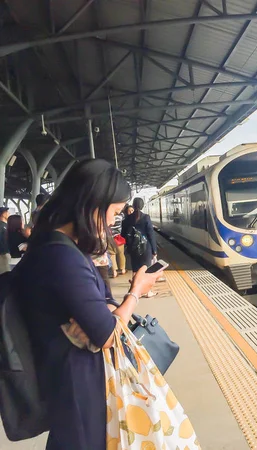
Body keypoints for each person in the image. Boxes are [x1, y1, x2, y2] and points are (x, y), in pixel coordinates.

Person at [15, 159, 163, 450]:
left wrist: (104, 312)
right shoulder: (61, 255)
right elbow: (106, 334)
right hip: (77, 387)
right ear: (95, 203)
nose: (112, 222)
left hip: (69, 380)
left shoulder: (57, 246)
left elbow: (100, 312)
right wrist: (136, 291)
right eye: (115, 212)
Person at [122, 197, 158, 297]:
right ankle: (147, 292)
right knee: (146, 271)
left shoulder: (127, 219)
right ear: (142, 206)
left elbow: (123, 234)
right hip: (145, 248)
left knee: (135, 270)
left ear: (133, 205)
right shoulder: (146, 217)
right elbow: (151, 234)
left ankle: (134, 291)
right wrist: (154, 250)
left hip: (133, 248)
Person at [108, 207, 126, 276]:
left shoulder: (109, 216)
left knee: (112, 255)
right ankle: (123, 269)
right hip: (118, 238)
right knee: (121, 254)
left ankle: (114, 272)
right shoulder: (121, 215)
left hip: (110, 238)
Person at [0, 207, 10, 273]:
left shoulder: (6, 225)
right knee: (4, 273)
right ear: (3, 214)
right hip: (2, 254)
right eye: (7, 212)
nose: (9, 214)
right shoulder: (1, 225)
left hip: (6, 253)